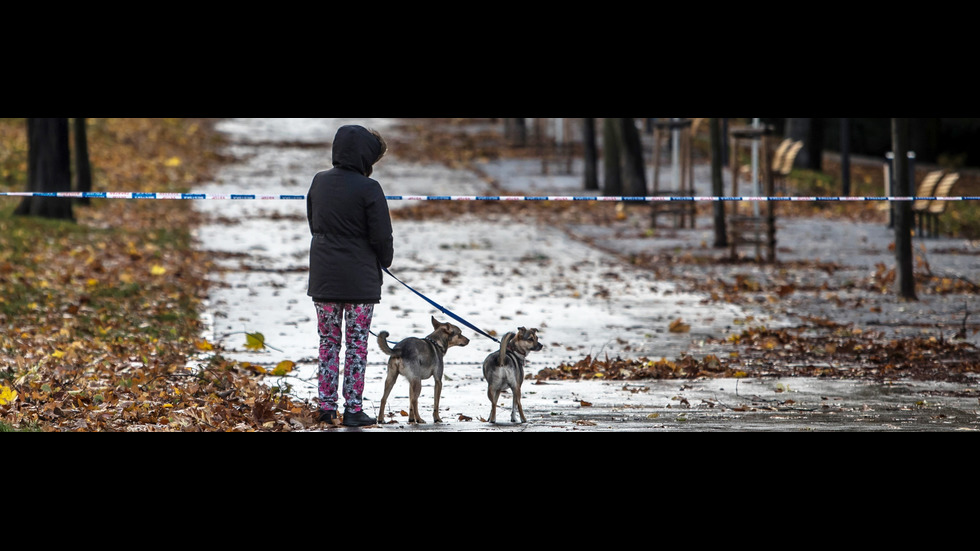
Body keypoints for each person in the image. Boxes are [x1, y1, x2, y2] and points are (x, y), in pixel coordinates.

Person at [307, 124, 394, 427]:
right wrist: (384, 261)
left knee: (328, 342)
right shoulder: (370, 189)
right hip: (360, 283)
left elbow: (313, 223)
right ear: (365, 157)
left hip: (324, 279)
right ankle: (353, 409)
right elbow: (382, 236)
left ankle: (326, 408)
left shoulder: (319, 182)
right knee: (357, 345)